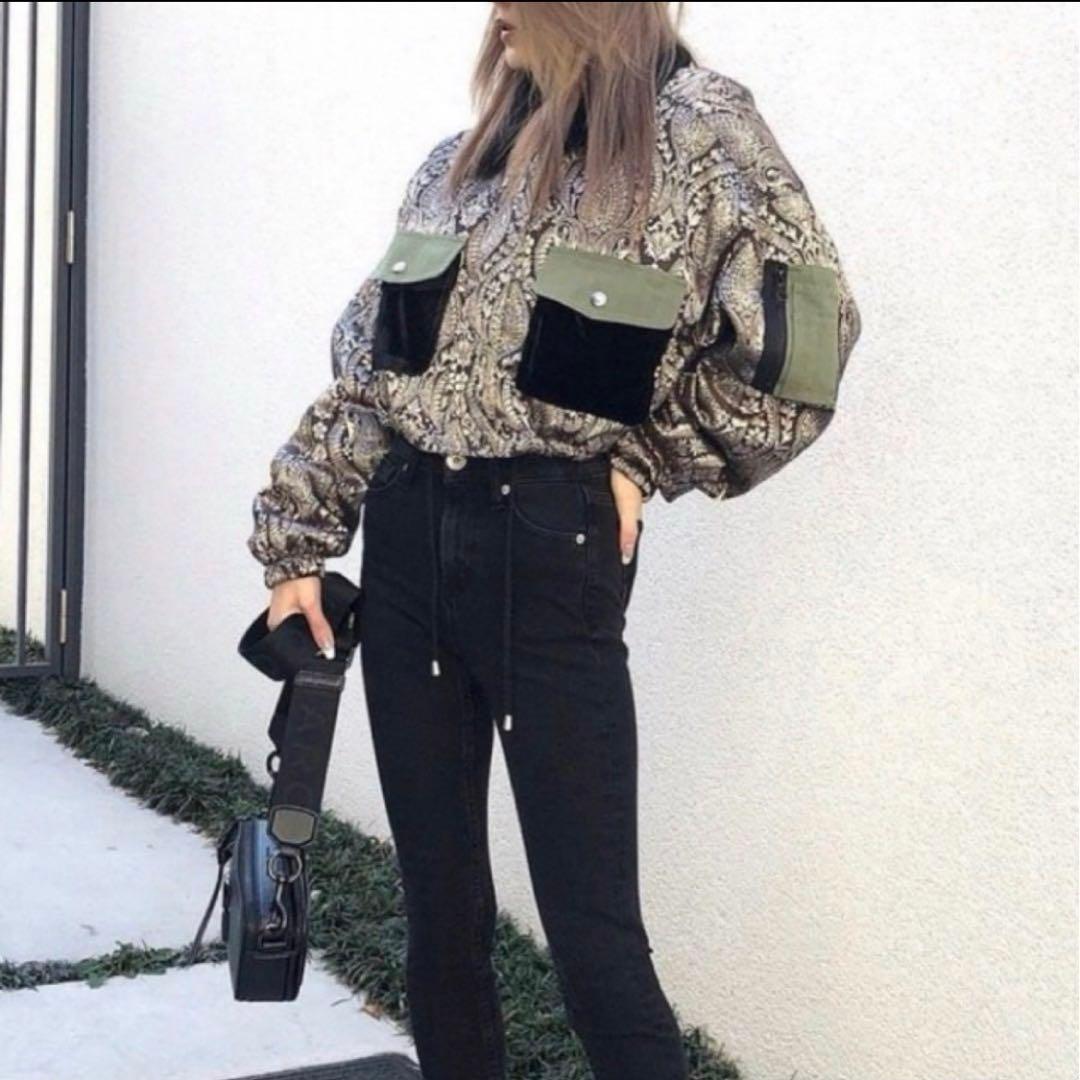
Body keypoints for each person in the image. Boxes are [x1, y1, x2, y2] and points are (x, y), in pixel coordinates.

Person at [246, 5, 862, 1079]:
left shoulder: (698, 131)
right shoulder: (456, 165)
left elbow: (806, 342)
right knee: (439, 911)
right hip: (405, 549)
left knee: (593, 939)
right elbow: (373, 375)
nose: (495, 14)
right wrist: (299, 542)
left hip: (549, 554)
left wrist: (649, 458)